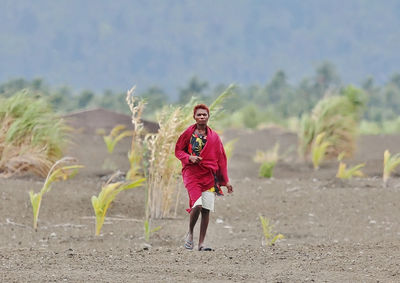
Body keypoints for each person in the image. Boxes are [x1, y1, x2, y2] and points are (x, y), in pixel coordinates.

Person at [175, 104, 233, 251]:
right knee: (197, 205)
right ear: (194, 117)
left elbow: (221, 159)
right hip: (191, 173)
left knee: (206, 209)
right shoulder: (188, 133)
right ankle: (190, 233)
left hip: (208, 176)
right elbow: (178, 151)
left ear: (208, 117)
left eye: (204, 115)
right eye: (199, 115)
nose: (201, 117)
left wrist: (226, 181)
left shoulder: (214, 137)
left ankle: (201, 243)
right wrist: (189, 158)